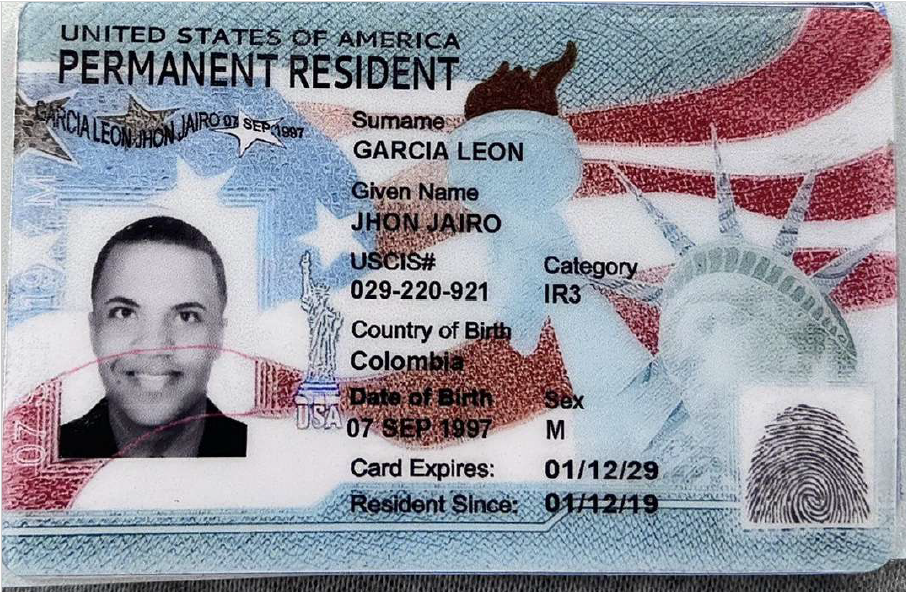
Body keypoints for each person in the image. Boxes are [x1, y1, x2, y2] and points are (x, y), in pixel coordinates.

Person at [59, 216, 247, 458]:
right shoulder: (41, 458)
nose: (153, 347)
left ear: (219, 336)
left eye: (186, 316)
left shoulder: (266, 456)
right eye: (124, 313)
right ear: (94, 331)